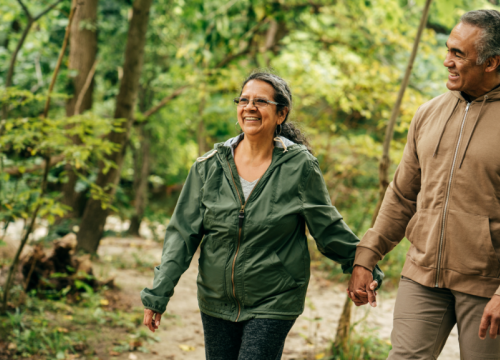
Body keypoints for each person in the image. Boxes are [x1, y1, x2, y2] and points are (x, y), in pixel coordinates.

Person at [141, 71, 383, 360]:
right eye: (243, 100)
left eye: (260, 101)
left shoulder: (299, 166)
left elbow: (328, 228)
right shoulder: (208, 167)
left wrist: (365, 265)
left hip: (275, 298)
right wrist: (159, 293)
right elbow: (181, 236)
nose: (249, 107)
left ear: (281, 114)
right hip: (216, 299)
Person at [348, 9, 500, 359]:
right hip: (422, 274)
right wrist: (366, 257)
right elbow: (402, 196)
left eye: (458, 54)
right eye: (448, 49)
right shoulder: (428, 113)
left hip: (486, 285)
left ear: (491, 63)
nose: (447, 61)